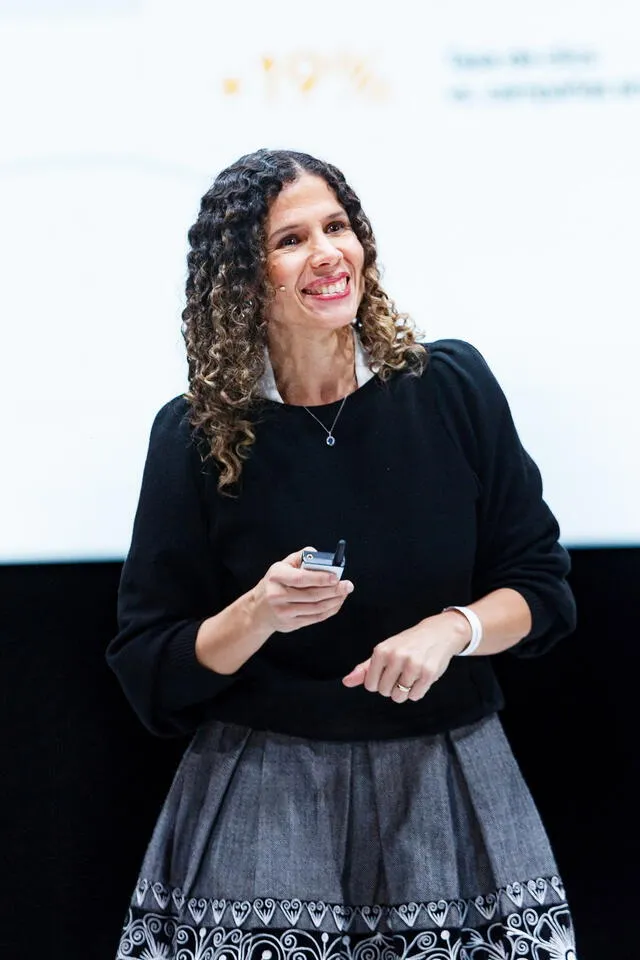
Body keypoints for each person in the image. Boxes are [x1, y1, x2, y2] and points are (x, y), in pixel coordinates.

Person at [106, 148, 579, 959]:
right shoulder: (196, 436)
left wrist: (452, 629)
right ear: (243, 281)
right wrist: (259, 611)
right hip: (267, 794)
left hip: (449, 779)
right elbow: (150, 663)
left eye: (337, 226)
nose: (328, 252)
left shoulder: (451, 387)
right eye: (290, 240)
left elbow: (540, 590)